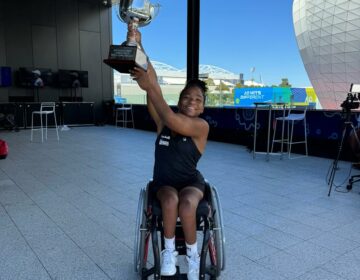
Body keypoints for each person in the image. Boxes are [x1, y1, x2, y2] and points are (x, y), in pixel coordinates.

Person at [128, 26, 209, 280]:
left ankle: (194, 258)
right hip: (164, 184)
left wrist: (149, 86)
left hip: (190, 183)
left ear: (203, 107)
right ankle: (169, 252)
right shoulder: (165, 121)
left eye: (197, 100)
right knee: (170, 200)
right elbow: (154, 93)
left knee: (186, 204)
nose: (190, 102)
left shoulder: (200, 127)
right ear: (179, 99)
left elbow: (157, 97)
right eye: (186, 97)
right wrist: (140, 49)